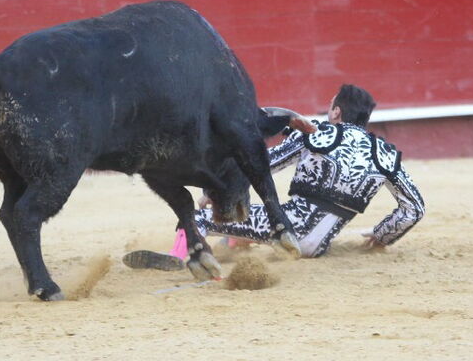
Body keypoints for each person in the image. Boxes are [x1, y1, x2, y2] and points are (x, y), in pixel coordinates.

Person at [124, 84, 425, 266]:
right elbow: (414, 209)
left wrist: (213, 194)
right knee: (248, 227)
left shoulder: (317, 134)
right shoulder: (384, 154)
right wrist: (382, 236)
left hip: (290, 228)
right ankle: (231, 246)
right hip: (319, 246)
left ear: (336, 112)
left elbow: (259, 164)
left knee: (198, 219)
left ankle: (179, 258)